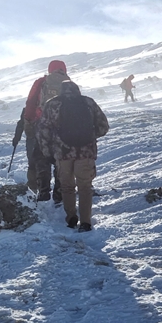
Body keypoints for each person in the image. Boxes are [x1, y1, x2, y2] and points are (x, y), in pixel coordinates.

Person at [37, 80, 109, 232]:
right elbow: (103, 126)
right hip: (86, 153)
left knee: (67, 187)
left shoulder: (53, 104)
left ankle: (71, 218)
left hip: (63, 153)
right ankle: (86, 222)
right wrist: (90, 137)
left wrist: (47, 151)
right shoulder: (88, 102)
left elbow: (43, 130)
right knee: (85, 187)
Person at [22, 60, 69, 202]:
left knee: (41, 157)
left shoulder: (41, 82)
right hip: (62, 126)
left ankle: (43, 192)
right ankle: (59, 194)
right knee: (60, 158)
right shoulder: (69, 84)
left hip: (41, 124)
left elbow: (30, 102)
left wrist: (28, 121)